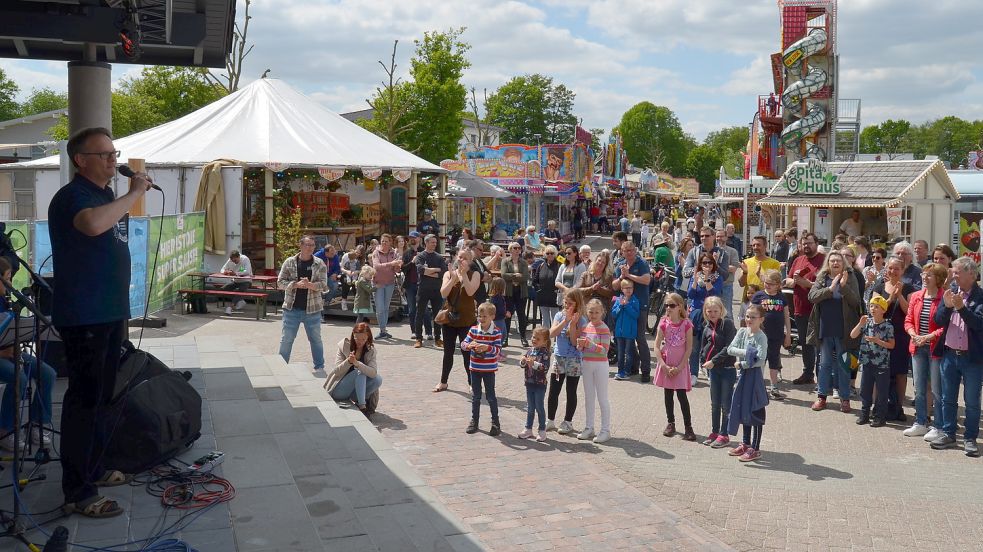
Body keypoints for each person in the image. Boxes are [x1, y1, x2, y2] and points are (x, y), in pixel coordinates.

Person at [49, 127, 152, 518]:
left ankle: (92, 468)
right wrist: (134, 194)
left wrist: (125, 196)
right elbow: (92, 226)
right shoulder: (73, 196)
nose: (113, 159)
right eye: (105, 154)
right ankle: (78, 491)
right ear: (81, 160)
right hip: (85, 313)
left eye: (114, 152)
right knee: (85, 400)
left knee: (104, 396)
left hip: (108, 311)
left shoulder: (105, 193)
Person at [929, 257, 983, 457]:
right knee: (947, 398)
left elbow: (979, 324)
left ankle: (970, 438)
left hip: (971, 359)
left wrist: (962, 308)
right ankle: (949, 433)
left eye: (957, 272)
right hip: (950, 354)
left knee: (972, 401)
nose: (954, 275)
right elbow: (938, 320)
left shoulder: (980, 296)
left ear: (971, 274)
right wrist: (949, 306)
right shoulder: (951, 293)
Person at [0, 258, 56, 451]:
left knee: (47, 373)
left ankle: (39, 423)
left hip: (10, 352)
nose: (11, 284)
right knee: (19, 378)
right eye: (8, 278)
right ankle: (6, 430)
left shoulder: (4, 301)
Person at [807, 251, 862, 413]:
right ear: (828, 263)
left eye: (838, 260)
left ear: (843, 263)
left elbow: (856, 302)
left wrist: (843, 287)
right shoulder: (822, 277)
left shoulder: (850, 277)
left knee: (844, 364)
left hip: (844, 329)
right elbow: (812, 296)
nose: (835, 263)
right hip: (825, 327)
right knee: (824, 364)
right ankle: (822, 397)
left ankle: (845, 399)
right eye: (832, 261)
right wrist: (830, 289)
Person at [903, 263, 946, 439]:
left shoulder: (944, 298)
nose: (924, 278)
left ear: (938, 279)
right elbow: (908, 320)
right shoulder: (916, 297)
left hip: (935, 348)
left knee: (937, 390)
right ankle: (920, 422)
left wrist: (927, 337)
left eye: (929, 275)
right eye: (923, 275)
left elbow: (946, 327)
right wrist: (913, 334)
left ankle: (939, 426)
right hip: (917, 346)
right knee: (919, 388)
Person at [868, 256, 914, 420]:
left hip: (900, 336)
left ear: (902, 271)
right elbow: (874, 310)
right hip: (880, 336)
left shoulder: (909, 288)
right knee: (877, 372)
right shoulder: (879, 287)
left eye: (897, 268)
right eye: (890, 268)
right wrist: (890, 298)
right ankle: (876, 406)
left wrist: (900, 295)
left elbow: (910, 311)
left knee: (901, 373)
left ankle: (899, 407)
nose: (893, 271)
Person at [726, 304, 770, 463]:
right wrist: (749, 353)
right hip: (743, 377)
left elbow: (760, 359)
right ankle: (745, 443)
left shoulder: (761, 336)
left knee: (755, 411)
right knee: (743, 408)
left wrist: (743, 363)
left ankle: (755, 448)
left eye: (753, 317)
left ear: (761, 319)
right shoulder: (742, 332)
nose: (749, 319)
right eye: (747, 316)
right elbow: (731, 349)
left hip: (755, 378)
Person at [278, 236, 328, 372]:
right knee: (287, 339)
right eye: (307, 245)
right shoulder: (289, 262)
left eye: (312, 245)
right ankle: (281, 366)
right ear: (300, 245)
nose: (310, 248)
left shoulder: (320, 263)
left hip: (313, 310)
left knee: (315, 339)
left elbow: (324, 286)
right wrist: (295, 285)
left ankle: (319, 367)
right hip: (291, 309)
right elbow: (279, 283)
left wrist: (310, 285)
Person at [434, 248, 480, 393]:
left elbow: (471, 291)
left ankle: (471, 383)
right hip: (450, 319)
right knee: (448, 352)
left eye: (465, 258)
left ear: (470, 261)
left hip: (467, 320)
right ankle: (443, 382)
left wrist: (464, 274)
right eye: (460, 257)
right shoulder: (448, 274)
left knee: (467, 353)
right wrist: (454, 278)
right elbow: (443, 293)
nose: (461, 260)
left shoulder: (475, 274)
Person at [654, 292, 696, 441]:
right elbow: (657, 346)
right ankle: (670, 423)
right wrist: (663, 365)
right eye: (667, 305)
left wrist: (680, 367)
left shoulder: (687, 324)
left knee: (681, 395)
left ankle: (688, 427)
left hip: (680, 365)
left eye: (672, 305)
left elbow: (689, 348)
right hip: (667, 365)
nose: (668, 308)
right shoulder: (663, 323)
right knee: (668, 395)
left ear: (680, 307)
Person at [786, 233, 825, 385]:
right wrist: (793, 281)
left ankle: (821, 377)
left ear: (816, 243)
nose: (806, 246)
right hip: (800, 308)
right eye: (804, 243)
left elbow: (826, 285)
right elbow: (788, 279)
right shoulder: (798, 260)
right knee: (805, 342)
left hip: (818, 308)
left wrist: (806, 283)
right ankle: (808, 374)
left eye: (809, 243)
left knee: (819, 344)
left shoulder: (823, 260)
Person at [546, 289, 587, 435]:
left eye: (570, 303)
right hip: (559, 357)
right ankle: (550, 420)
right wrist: (565, 320)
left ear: (577, 304)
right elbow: (551, 334)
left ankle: (568, 421)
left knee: (571, 391)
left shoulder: (582, 319)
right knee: (554, 390)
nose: (566, 305)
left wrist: (572, 324)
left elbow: (575, 342)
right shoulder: (559, 315)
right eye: (565, 302)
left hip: (574, 359)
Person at [612, 241, 653, 382]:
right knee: (628, 337)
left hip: (640, 305)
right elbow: (614, 285)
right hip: (624, 306)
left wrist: (628, 275)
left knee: (640, 338)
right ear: (622, 252)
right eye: (625, 250)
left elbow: (647, 280)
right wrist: (622, 277)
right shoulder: (620, 265)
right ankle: (634, 366)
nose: (628, 253)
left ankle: (646, 370)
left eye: (631, 250)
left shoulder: (641, 263)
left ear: (635, 250)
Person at [699, 297, 737, 448]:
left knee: (725, 404)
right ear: (706, 312)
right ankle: (714, 432)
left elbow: (729, 347)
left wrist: (713, 360)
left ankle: (724, 434)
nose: (712, 313)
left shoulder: (727, 324)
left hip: (727, 369)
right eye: (709, 311)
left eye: (715, 311)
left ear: (721, 310)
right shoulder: (707, 326)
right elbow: (703, 345)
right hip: (713, 370)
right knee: (715, 403)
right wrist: (703, 360)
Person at [852, 295, 895, 427]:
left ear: (883, 310)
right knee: (865, 390)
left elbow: (892, 345)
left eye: (877, 307)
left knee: (881, 391)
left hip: (881, 363)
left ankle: (879, 417)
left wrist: (878, 341)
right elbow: (852, 335)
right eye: (871, 306)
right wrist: (860, 323)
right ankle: (864, 414)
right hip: (867, 362)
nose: (873, 309)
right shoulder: (867, 322)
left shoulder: (888, 326)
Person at [461, 302, 503, 435]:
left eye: (484, 316)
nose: (481, 319)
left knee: (491, 397)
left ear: (492, 317)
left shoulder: (496, 332)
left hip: (489, 370)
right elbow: (463, 343)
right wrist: (469, 345)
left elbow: (497, 351)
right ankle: (474, 420)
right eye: (479, 316)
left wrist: (487, 348)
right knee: (476, 396)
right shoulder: (473, 330)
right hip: (474, 368)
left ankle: (495, 422)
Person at [325, 322, 382, 417]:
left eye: (363, 339)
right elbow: (336, 371)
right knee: (360, 372)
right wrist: (348, 362)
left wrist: (357, 363)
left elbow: (373, 373)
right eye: (357, 338)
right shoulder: (344, 346)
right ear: (353, 336)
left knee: (378, 379)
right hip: (339, 390)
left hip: (355, 392)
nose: (360, 342)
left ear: (368, 338)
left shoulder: (371, 350)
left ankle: (360, 400)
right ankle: (362, 407)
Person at [751, 269, 792, 400]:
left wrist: (788, 335)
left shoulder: (782, 298)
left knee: (774, 360)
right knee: (760, 359)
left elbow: (786, 317)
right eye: (766, 282)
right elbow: (750, 314)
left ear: (778, 285)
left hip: (777, 334)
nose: (767, 285)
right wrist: (750, 330)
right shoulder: (758, 296)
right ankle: (757, 386)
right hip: (760, 334)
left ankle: (774, 386)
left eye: (771, 283)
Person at [576, 299, 612, 444]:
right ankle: (589, 427)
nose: (594, 314)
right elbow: (582, 347)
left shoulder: (604, 328)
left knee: (602, 398)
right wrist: (580, 345)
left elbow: (604, 351)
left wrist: (589, 344)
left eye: (597, 312)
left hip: (600, 365)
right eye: (591, 312)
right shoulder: (586, 326)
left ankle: (605, 430)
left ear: (602, 312)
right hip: (587, 364)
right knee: (589, 397)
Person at [687, 252, 723, 385]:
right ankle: (693, 373)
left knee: (710, 345)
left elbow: (714, 294)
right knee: (695, 346)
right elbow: (691, 294)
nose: (707, 265)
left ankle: (709, 371)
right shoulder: (695, 276)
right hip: (696, 314)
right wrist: (696, 281)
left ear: (713, 265)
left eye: (709, 263)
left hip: (710, 314)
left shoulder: (717, 278)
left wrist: (707, 279)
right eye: (704, 263)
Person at [518, 328, 551, 442]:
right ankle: (528, 428)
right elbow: (523, 365)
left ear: (544, 341)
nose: (534, 340)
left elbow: (545, 368)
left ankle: (542, 430)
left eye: (538, 338)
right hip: (529, 383)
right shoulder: (530, 350)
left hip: (540, 384)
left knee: (539, 407)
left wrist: (534, 364)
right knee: (530, 407)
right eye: (533, 337)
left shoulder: (545, 352)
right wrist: (523, 361)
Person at [413, 235, 447, 348]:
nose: (434, 244)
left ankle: (438, 338)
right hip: (423, 289)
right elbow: (421, 270)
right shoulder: (420, 256)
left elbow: (444, 272)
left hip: (437, 289)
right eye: (432, 242)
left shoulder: (439, 257)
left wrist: (431, 271)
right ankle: (418, 338)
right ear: (426, 243)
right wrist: (436, 271)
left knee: (438, 314)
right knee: (420, 313)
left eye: (435, 242)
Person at [371, 234, 401, 339]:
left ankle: (384, 330)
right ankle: (382, 330)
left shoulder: (394, 253)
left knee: (386, 308)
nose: (384, 243)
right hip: (378, 283)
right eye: (382, 241)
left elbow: (396, 270)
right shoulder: (376, 252)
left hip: (390, 283)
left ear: (390, 242)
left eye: (386, 241)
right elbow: (376, 266)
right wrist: (391, 263)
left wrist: (397, 266)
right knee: (380, 308)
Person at [739, 236, 781, 312]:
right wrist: (745, 273)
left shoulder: (774, 263)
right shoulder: (746, 262)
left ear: (765, 246)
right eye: (753, 245)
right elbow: (741, 284)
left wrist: (759, 275)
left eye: (758, 245)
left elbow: (776, 285)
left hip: (767, 302)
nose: (755, 247)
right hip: (749, 302)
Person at [502, 242, 530, 348]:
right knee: (508, 315)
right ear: (510, 249)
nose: (518, 250)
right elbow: (504, 275)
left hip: (521, 291)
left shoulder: (523, 262)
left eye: (519, 248)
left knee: (521, 315)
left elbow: (525, 277)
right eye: (515, 248)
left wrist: (513, 277)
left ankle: (523, 338)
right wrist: (516, 275)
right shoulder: (505, 261)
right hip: (509, 291)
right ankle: (505, 338)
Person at [611, 279, 640, 381]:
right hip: (619, 332)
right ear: (622, 289)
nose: (628, 290)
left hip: (630, 333)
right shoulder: (618, 300)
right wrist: (620, 305)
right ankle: (620, 371)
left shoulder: (635, 300)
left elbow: (636, 315)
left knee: (628, 353)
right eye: (626, 288)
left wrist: (627, 305)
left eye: (630, 288)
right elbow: (613, 314)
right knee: (620, 352)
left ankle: (627, 371)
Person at [578, 249, 615, 322]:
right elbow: (579, 290)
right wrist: (592, 288)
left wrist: (599, 289)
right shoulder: (585, 274)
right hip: (587, 310)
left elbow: (611, 293)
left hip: (602, 312)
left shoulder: (609, 277)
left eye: (603, 262)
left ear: (606, 265)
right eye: (599, 260)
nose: (600, 263)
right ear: (595, 261)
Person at [401, 233, 427, 337]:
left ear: (419, 239)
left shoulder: (424, 251)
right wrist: (412, 262)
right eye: (410, 238)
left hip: (422, 284)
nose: (412, 239)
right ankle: (414, 331)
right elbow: (403, 268)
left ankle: (428, 332)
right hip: (410, 285)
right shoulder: (407, 253)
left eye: (414, 237)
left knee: (424, 310)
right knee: (412, 310)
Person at [715, 229, 740, 319]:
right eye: (717, 236)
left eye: (721, 236)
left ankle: (730, 332)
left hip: (726, 285)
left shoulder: (732, 251)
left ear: (726, 237)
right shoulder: (712, 250)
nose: (719, 238)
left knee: (727, 311)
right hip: (712, 285)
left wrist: (716, 265)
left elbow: (733, 268)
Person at [535, 245, 562, 326]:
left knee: (555, 319)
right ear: (545, 254)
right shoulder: (541, 266)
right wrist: (538, 289)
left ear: (555, 254)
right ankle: (546, 338)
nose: (549, 255)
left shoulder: (559, 266)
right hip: (543, 296)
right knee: (545, 320)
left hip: (554, 296)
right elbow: (535, 280)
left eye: (552, 253)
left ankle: (555, 338)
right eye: (547, 253)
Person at [220, 249, 253, 314]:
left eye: (235, 260)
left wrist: (235, 273)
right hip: (235, 281)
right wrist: (225, 272)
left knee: (240, 290)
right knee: (223, 289)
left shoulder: (245, 259)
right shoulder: (230, 260)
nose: (234, 262)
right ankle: (240, 301)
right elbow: (222, 269)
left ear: (238, 257)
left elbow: (247, 272)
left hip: (246, 281)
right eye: (233, 261)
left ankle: (230, 307)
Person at [488, 277, 508, 349]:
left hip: (501, 319)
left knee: (504, 335)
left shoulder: (500, 297)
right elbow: (496, 310)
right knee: (498, 337)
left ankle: (498, 350)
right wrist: (505, 313)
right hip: (497, 320)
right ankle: (496, 351)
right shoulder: (495, 298)